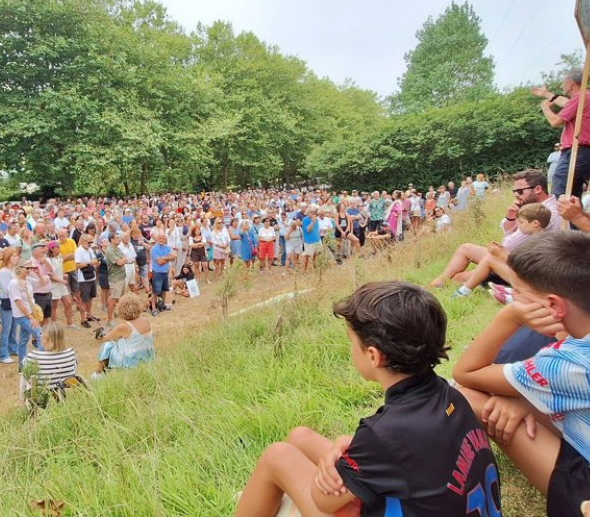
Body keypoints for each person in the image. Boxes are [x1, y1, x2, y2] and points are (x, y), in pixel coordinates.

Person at [234, 281, 501, 517]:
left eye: (352, 341)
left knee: (277, 456)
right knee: (299, 436)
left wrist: (334, 465)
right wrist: (340, 455)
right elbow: (406, 452)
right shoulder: (449, 394)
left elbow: (324, 502)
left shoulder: (383, 433)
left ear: (373, 355)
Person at [453, 231, 590, 517]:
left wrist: (509, 317)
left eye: (519, 294)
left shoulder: (562, 364)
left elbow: (466, 373)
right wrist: (525, 397)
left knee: (466, 397)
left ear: (553, 305)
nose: (513, 300)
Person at [429, 169, 561, 288]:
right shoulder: (535, 207)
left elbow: (508, 244)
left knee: (458, 276)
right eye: (514, 192)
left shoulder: (546, 214)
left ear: (538, 189)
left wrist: (502, 244)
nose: (516, 195)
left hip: (524, 266)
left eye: (520, 191)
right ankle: (439, 282)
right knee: (465, 248)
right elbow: (506, 232)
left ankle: (439, 286)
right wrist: (510, 217)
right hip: (514, 258)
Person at [533, 70, 590, 197]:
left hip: (576, 151)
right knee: (572, 194)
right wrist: (546, 94)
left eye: (563, 83)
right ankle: (574, 216)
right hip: (583, 152)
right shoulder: (585, 97)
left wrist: (545, 107)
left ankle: (560, 216)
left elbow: (555, 121)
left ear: (570, 83)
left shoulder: (580, 98)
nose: (561, 86)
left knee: (560, 192)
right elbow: (565, 102)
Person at [94, 295, 154, 374]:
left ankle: (98, 373)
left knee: (107, 345)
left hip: (131, 362)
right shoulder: (145, 320)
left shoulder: (124, 327)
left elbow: (106, 338)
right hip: (147, 358)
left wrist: (108, 334)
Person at [20, 320, 77, 396]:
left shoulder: (33, 356)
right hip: (64, 396)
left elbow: (26, 375)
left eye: (41, 335)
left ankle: (24, 400)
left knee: (24, 374)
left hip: (42, 399)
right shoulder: (71, 353)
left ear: (45, 339)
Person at [8, 260, 41, 369]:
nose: (29, 270)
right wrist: (30, 317)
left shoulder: (28, 280)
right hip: (21, 315)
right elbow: (18, 302)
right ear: (19, 269)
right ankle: (44, 361)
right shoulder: (14, 283)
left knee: (23, 340)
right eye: (27, 268)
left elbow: (42, 283)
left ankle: (22, 365)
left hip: (29, 312)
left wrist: (38, 272)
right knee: (40, 334)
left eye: (30, 268)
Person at [0, 247, 19, 365]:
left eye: (16, 255)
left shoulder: (14, 270)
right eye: (13, 256)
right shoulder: (4, 272)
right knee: (6, 328)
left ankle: (13, 348)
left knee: (14, 326)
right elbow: (6, 288)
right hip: (5, 302)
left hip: (14, 301)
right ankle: (3, 354)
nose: (16, 258)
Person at [104, 230, 127, 323]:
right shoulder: (109, 250)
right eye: (117, 238)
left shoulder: (118, 248)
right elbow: (120, 262)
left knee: (119, 298)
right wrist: (123, 260)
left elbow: (124, 258)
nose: (119, 239)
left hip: (121, 276)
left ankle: (118, 314)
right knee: (113, 299)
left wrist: (123, 260)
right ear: (112, 240)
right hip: (115, 278)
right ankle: (109, 319)